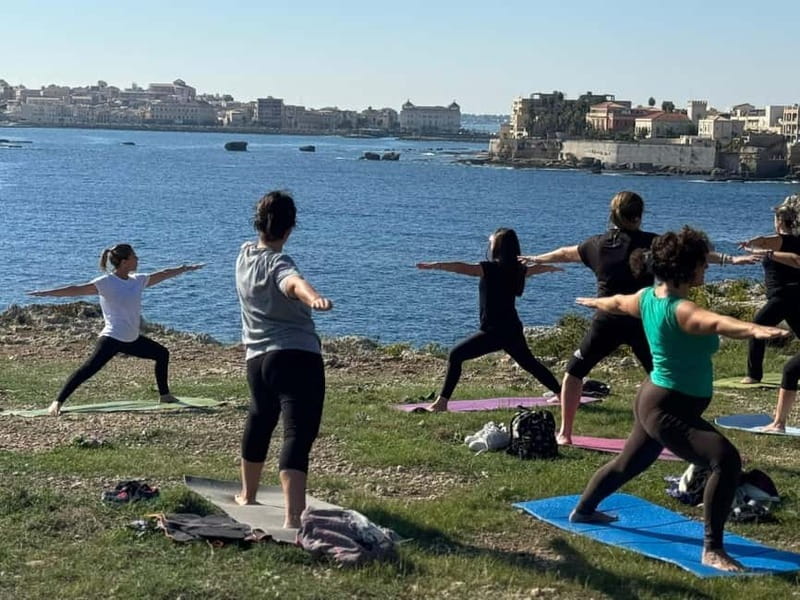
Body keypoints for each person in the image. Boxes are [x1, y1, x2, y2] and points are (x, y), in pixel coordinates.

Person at [569, 226, 788, 572]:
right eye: (703, 263)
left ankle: (583, 511)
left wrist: (594, 302)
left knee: (629, 464)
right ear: (686, 268)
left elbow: (617, 303)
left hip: (653, 398)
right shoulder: (681, 308)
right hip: (668, 407)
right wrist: (755, 329)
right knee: (726, 461)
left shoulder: (648, 297)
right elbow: (718, 321)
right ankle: (712, 549)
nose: (707, 268)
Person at [521, 191, 759, 444]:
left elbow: (565, 253)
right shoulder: (651, 242)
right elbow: (686, 252)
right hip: (642, 319)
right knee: (662, 377)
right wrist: (730, 259)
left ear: (613, 214)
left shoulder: (597, 244)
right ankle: (680, 430)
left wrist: (536, 258)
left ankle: (565, 434)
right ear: (640, 215)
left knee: (574, 371)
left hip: (608, 319)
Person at [234, 190, 332, 529]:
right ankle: (293, 518)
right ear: (290, 228)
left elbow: (283, 278)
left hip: (257, 361)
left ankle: (247, 495)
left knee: (260, 421)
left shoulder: (244, 255)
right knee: (297, 434)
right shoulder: (280, 263)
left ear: (259, 224)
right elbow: (292, 283)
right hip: (296, 356)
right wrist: (314, 297)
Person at [27, 244, 203, 416]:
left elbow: (163, 274)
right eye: (134, 257)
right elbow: (76, 290)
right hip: (112, 338)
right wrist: (46, 293)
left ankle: (164, 395)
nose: (138, 259)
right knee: (87, 369)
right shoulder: (106, 282)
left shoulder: (138, 280)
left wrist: (185, 268)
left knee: (162, 354)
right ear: (125, 261)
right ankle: (57, 402)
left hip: (132, 338)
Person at [417, 228, 563, 412]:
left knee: (456, 355)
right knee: (530, 363)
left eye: (493, 239)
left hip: (494, 331)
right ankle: (560, 394)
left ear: (499, 247)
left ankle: (441, 403)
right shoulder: (516, 269)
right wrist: (549, 268)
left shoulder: (490, 269)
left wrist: (436, 265)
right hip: (511, 329)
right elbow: (534, 270)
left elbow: (461, 267)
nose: (490, 239)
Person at [738, 194, 800, 385]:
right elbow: (763, 240)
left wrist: (752, 246)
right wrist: (753, 243)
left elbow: (765, 242)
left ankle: (753, 375)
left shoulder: (781, 240)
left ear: (780, 221)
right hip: (795, 295)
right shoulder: (795, 240)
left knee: (756, 328)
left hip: (783, 295)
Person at [744, 245, 800, 432]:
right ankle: (778, 424)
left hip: (785, 296)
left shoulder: (791, 241)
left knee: (791, 369)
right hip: (785, 296)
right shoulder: (778, 240)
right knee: (791, 369)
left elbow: (794, 258)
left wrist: (767, 253)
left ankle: (778, 424)